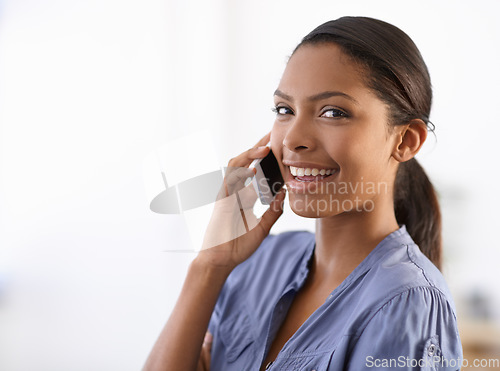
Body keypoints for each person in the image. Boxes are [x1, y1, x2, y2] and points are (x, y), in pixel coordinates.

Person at [143, 16, 463, 370]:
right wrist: (210, 265)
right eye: (285, 110)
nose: (293, 138)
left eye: (333, 112)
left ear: (405, 140)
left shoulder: (406, 302)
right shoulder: (261, 262)